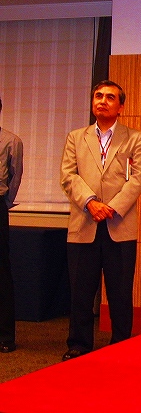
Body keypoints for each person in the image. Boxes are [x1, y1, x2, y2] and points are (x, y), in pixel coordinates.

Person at [60, 80, 141, 361]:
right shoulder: (76, 137)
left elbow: (138, 178)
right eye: (98, 96)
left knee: (120, 292)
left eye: (110, 97)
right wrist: (90, 203)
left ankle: (121, 343)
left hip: (119, 225)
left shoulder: (135, 138)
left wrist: (111, 207)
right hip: (84, 223)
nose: (102, 101)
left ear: (120, 106)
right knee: (81, 291)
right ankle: (79, 344)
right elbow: (68, 176)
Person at [0, 98, 23, 354]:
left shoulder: (11, 141)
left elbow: (15, 178)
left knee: (1, 272)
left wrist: (3, 203)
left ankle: (5, 335)